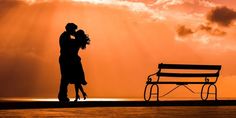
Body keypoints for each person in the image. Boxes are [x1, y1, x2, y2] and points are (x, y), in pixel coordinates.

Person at [58, 23, 89, 102]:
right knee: (65, 78)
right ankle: (62, 96)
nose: (74, 31)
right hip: (66, 59)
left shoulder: (67, 37)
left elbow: (73, 43)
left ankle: (63, 96)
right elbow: (69, 45)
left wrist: (77, 36)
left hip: (69, 59)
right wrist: (78, 36)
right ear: (70, 29)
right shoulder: (65, 37)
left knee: (67, 78)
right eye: (73, 30)